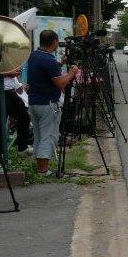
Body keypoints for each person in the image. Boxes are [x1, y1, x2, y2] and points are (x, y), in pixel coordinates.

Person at [25, 30, 78, 176]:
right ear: (54, 42)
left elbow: (44, 74)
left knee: (39, 135)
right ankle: (44, 170)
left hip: (34, 102)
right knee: (49, 136)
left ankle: (40, 167)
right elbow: (60, 83)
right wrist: (72, 73)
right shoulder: (49, 60)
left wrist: (60, 63)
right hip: (48, 104)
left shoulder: (34, 55)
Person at [0, 67, 32, 155]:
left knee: (24, 116)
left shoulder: (7, 59)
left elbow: (12, 76)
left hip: (10, 92)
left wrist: (18, 84)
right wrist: (7, 73)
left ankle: (22, 147)